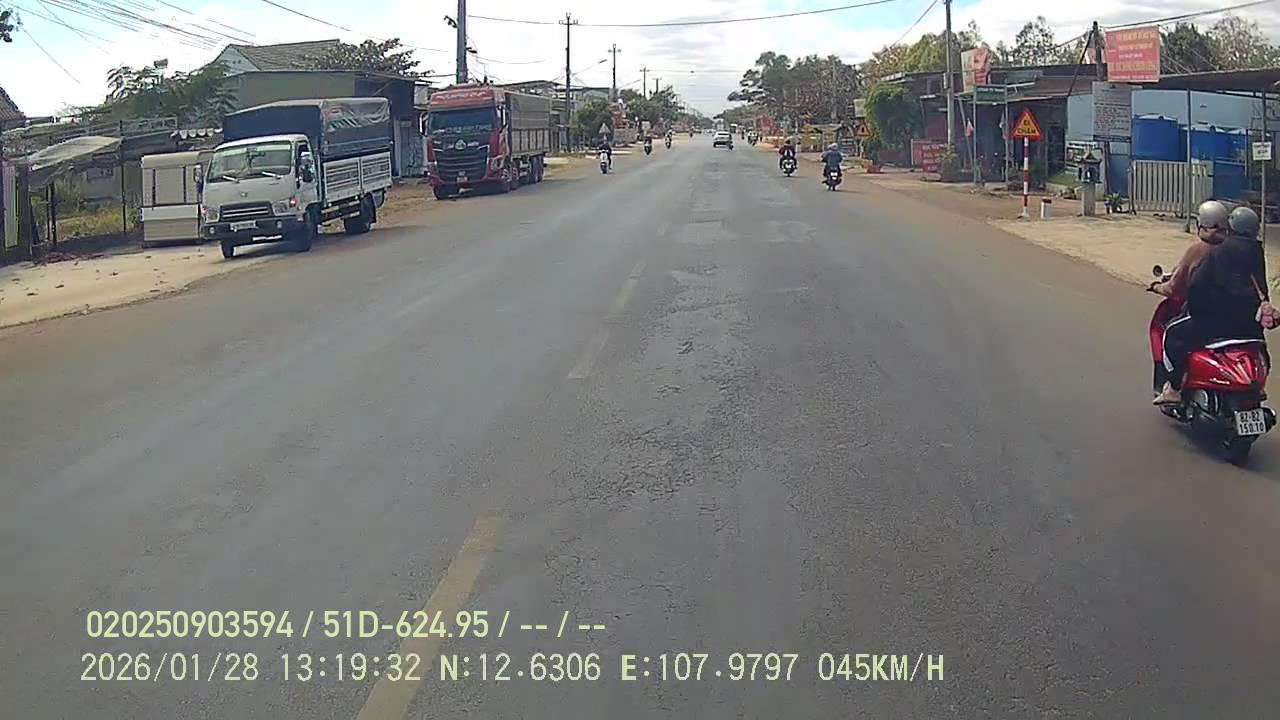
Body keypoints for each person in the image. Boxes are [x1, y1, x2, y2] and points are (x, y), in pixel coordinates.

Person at [1157, 206, 1270, 404]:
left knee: (1172, 335)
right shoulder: (1256, 252)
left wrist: (1196, 312)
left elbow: (1196, 287)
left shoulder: (1218, 251)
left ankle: (1174, 389)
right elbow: (1262, 287)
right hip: (1251, 327)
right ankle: (1256, 387)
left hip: (1218, 324)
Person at [1149, 200, 1229, 396]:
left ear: (1200, 224)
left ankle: (1173, 387)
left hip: (1203, 313)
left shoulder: (1198, 249)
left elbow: (1175, 287)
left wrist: (1157, 287)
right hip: (1232, 314)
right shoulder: (1233, 248)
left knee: (1170, 335)